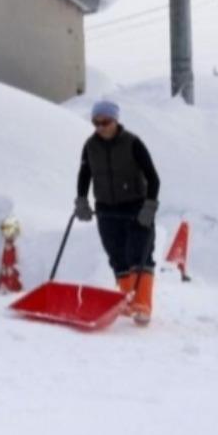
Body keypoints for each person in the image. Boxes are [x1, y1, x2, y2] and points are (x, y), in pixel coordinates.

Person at [74, 100, 161, 326]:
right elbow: (84, 175)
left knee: (138, 254)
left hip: (135, 207)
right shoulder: (90, 146)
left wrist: (149, 207)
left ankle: (142, 304)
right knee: (117, 257)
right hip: (106, 210)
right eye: (96, 122)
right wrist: (82, 200)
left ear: (116, 120)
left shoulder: (132, 143)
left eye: (106, 122)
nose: (101, 127)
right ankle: (127, 301)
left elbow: (153, 177)